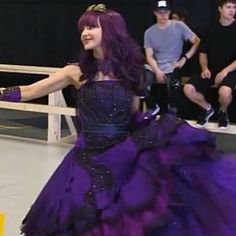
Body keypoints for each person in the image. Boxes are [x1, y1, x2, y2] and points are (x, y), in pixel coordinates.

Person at [1, 3, 236, 236]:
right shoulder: (76, 71)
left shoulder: (132, 72)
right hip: (86, 158)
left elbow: (134, 114)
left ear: (110, 30)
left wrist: (150, 135)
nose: (85, 33)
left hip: (123, 155)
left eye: (92, 27)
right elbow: (29, 91)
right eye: (83, 28)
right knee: (81, 217)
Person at [184, 0, 236, 129]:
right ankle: (207, 108)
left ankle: (223, 111)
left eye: (234, 7)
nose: (232, 10)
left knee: (225, 92)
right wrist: (204, 68)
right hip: (211, 69)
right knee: (188, 89)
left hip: (230, 70)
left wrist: (225, 71)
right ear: (220, 9)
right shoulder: (209, 29)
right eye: (228, 7)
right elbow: (203, 54)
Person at [144, 0, 200, 115]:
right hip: (156, 66)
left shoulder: (179, 26)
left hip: (173, 65)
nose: (163, 15)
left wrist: (184, 58)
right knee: (140, 80)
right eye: (160, 12)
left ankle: (172, 113)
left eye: (165, 12)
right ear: (155, 13)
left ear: (169, 12)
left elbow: (197, 41)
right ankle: (152, 106)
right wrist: (157, 70)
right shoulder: (149, 32)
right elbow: (149, 56)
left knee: (174, 85)